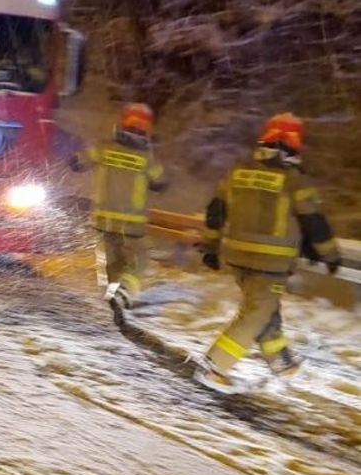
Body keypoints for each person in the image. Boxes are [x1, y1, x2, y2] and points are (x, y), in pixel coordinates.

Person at [195, 113, 340, 392]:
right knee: (257, 313)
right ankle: (214, 366)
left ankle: (284, 365)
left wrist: (210, 247)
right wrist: (330, 255)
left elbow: (215, 213)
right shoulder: (294, 181)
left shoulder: (237, 174)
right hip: (270, 263)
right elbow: (315, 223)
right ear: (293, 145)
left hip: (237, 258)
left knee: (265, 310)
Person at [70, 103, 168, 321]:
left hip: (104, 222)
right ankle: (124, 293)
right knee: (137, 263)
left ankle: (116, 303)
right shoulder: (146, 159)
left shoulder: (104, 149)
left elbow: (76, 162)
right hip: (132, 225)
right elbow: (161, 183)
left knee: (113, 265)